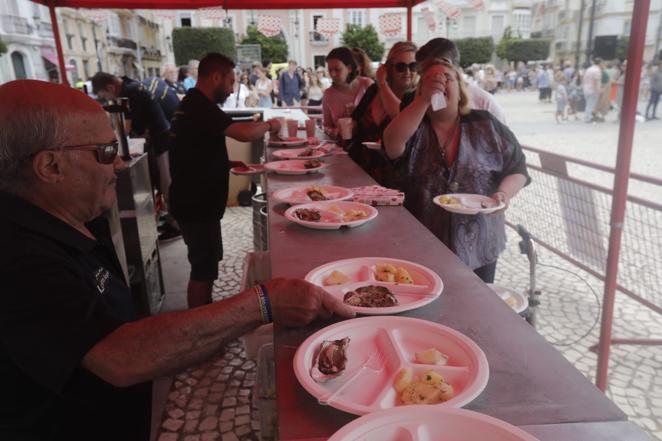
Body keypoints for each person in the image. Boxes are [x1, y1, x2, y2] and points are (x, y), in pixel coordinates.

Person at [0, 79, 354, 441]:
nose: (120, 163)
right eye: (106, 151)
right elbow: (118, 355)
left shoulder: (75, 219)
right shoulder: (16, 256)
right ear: (50, 166)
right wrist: (263, 302)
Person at [382, 58, 530, 283]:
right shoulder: (413, 126)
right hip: (422, 243)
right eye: (430, 80)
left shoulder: (485, 124)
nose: (439, 83)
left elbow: (517, 168)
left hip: (480, 242)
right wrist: (422, 100)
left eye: (446, 78)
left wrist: (503, 194)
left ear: (460, 90)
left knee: (476, 306)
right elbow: (391, 143)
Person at [170, 53, 285, 307]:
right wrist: (270, 124)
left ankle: (203, 320)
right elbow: (244, 134)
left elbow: (193, 151)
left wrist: (225, 163)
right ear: (215, 77)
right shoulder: (201, 106)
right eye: (230, 81)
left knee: (205, 264)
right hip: (196, 203)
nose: (232, 88)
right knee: (203, 269)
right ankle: (201, 329)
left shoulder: (191, 104)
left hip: (192, 199)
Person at [91, 72, 181, 242]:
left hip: (162, 141)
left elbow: (128, 127)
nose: (107, 98)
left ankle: (177, 224)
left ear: (110, 87)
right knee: (163, 183)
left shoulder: (132, 92)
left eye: (105, 95)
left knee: (167, 183)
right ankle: (171, 218)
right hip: (159, 139)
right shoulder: (130, 85)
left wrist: (109, 139)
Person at [348, 41, 418, 187]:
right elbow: (354, 120)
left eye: (413, 66)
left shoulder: (416, 96)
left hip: (395, 176)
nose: (407, 71)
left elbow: (398, 117)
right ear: (389, 68)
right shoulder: (374, 90)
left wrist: (382, 84)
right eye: (400, 66)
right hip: (361, 169)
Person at [412, 38, 507, 125]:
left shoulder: (485, 103)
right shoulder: (415, 101)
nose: (425, 79)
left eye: (430, 70)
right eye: (421, 73)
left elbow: (503, 142)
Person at [322, 47, 374, 139]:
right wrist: (336, 132)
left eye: (337, 69)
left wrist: (359, 114)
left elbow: (379, 119)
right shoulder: (328, 94)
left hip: (367, 144)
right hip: (342, 147)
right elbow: (326, 126)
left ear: (349, 68)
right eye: (330, 70)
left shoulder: (367, 85)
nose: (332, 74)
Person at [582, 57, 603, 123]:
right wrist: (598, 90)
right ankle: (588, 118)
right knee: (591, 105)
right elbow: (595, 81)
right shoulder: (597, 70)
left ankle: (587, 117)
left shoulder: (589, 69)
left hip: (586, 89)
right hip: (592, 90)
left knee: (588, 104)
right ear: (599, 63)